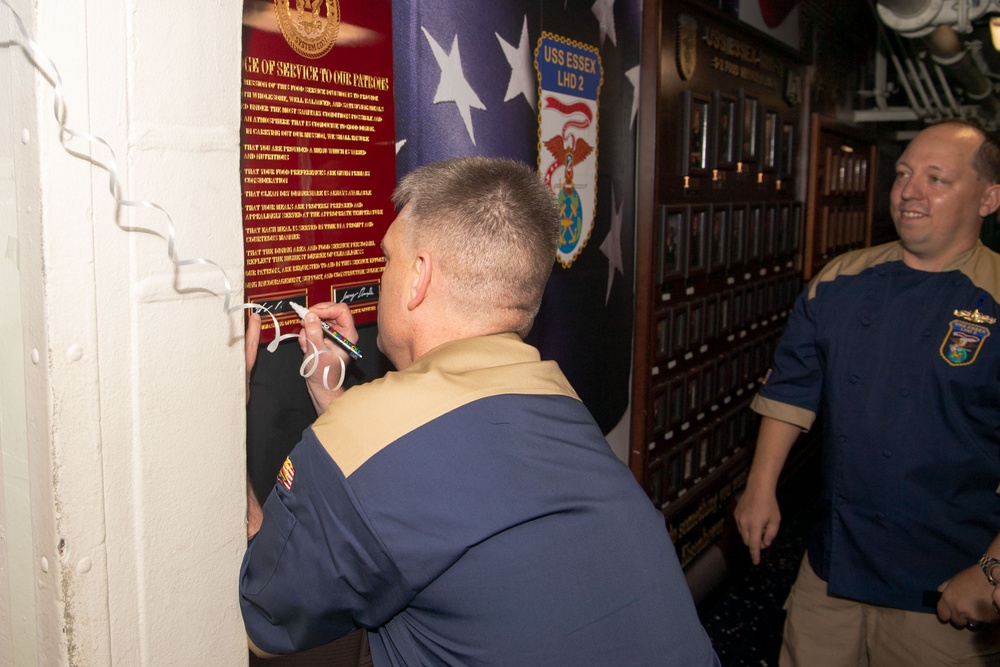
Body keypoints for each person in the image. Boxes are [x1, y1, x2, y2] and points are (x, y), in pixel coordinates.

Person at [240, 157, 720, 666]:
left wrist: (223, 419)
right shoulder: (559, 403)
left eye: (387, 260)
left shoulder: (373, 439)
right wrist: (338, 402)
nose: (381, 278)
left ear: (418, 276)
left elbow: (266, 614)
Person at [735, 119, 1000, 665]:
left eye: (936, 178)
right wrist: (760, 487)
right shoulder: (840, 281)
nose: (909, 191)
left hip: (949, 581)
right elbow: (792, 390)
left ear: (989, 198)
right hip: (833, 568)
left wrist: (994, 571)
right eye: (903, 174)